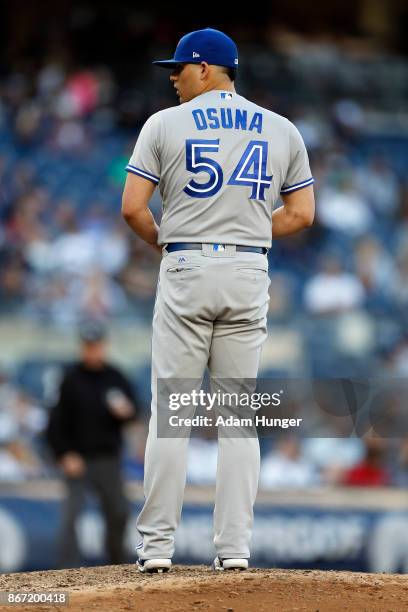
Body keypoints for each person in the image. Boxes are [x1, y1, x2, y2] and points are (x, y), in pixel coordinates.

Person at [122, 27, 315, 573]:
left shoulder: (164, 124)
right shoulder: (281, 129)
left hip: (186, 262)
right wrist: (247, 235)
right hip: (249, 268)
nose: (174, 80)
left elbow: (133, 208)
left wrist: (170, 244)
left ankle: (156, 549)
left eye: (179, 69)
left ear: (206, 69)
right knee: (237, 417)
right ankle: (234, 551)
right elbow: (302, 214)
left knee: (172, 414)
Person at [46, 319, 138, 568]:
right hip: (77, 457)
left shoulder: (115, 377)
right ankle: (67, 570)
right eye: (88, 345)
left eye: (96, 345)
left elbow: (134, 412)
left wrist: (126, 412)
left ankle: (117, 566)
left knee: (118, 512)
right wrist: (64, 453)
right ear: (82, 347)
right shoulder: (69, 378)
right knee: (71, 515)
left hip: (107, 458)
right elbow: (54, 422)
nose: (92, 350)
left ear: (104, 346)